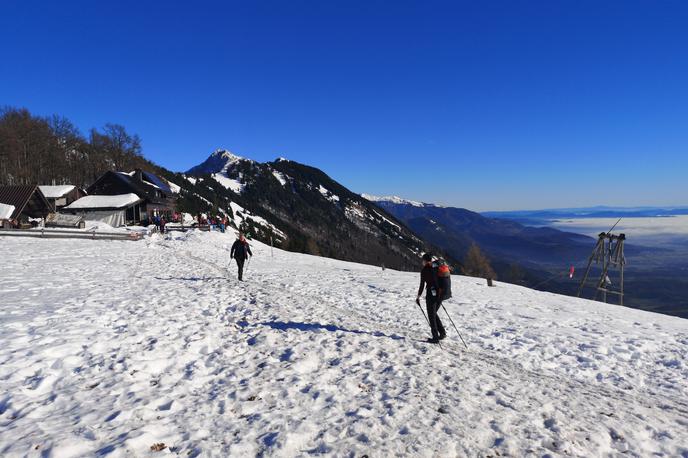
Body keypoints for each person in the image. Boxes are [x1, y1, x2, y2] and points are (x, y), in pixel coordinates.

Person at [416, 253, 446, 344]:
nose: (422, 262)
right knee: (434, 313)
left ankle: (435, 338)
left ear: (425, 260)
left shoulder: (425, 270)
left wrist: (418, 296)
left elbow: (422, 285)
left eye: (423, 260)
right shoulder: (436, 267)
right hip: (441, 294)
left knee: (431, 315)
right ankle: (442, 332)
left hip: (431, 295)